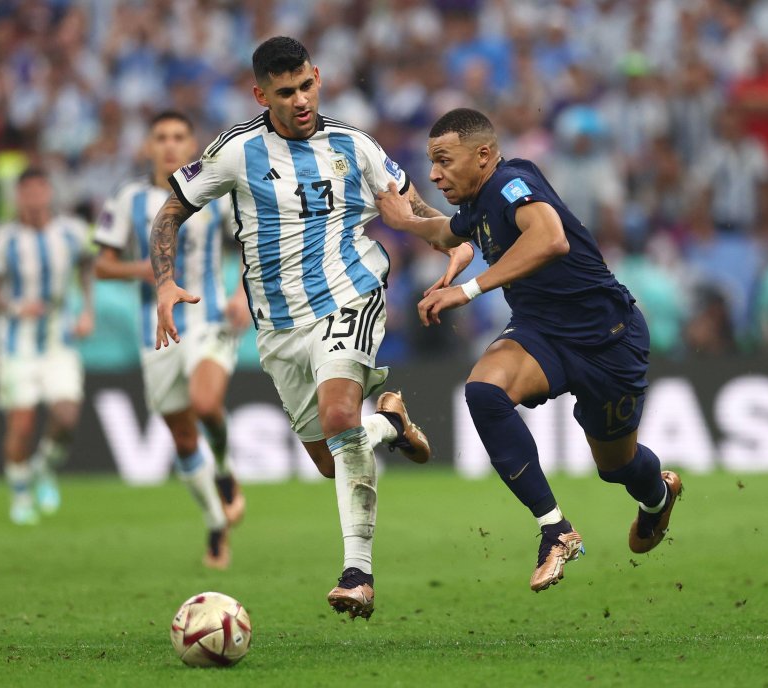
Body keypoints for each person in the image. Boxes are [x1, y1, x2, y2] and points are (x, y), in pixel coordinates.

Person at [150, 37, 434, 619]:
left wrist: (454, 242)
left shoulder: (354, 144)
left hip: (351, 291)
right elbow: (172, 209)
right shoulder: (235, 151)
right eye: (285, 92)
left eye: (307, 85)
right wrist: (164, 281)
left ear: (318, 77)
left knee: (336, 420)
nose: (301, 99)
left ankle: (358, 574)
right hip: (279, 326)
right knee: (335, 459)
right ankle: (388, 423)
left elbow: (412, 205)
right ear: (261, 94)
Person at [374, 108, 682, 592]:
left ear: (483, 155)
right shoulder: (479, 203)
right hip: (542, 333)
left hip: (609, 338)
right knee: (483, 391)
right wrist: (405, 220)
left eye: (443, 160)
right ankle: (556, 529)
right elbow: (445, 234)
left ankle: (658, 496)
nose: (434, 173)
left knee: (616, 467)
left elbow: (550, 238)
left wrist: (467, 291)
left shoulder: (510, 183)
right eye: (432, 162)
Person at [94, 110, 248, 569]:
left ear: (191, 143)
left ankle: (222, 470)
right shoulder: (128, 197)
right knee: (182, 437)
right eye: (160, 137)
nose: (169, 144)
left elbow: (249, 243)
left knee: (205, 405)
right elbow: (102, 264)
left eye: (178, 136)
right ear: (148, 146)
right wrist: (141, 269)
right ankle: (215, 522)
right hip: (155, 332)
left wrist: (241, 293)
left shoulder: (215, 189)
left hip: (209, 316)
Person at [0, 168, 94, 525]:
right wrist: (12, 306)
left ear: (49, 192)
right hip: (16, 343)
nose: (34, 196)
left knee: (67, 415)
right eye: (26, 190)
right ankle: (20, 492)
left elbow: (87, 268)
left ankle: (43, 468)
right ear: (18, 196)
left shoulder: (71, 231)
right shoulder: (1, 237)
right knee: (22, 425)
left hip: (59, 340)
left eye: (40, 188)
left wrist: (88, 311)